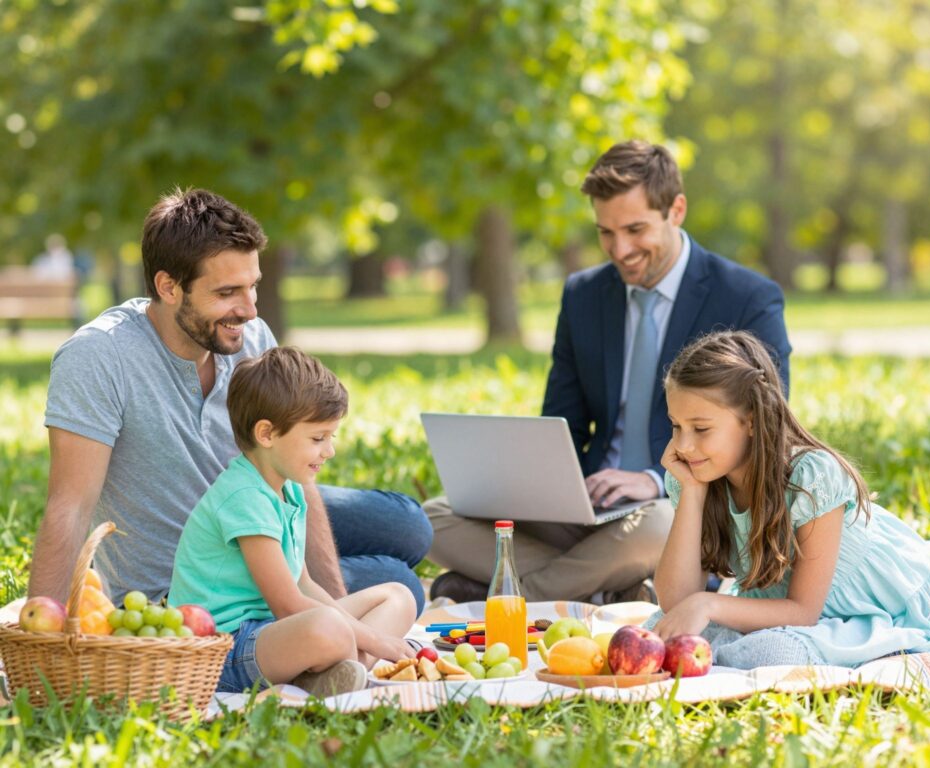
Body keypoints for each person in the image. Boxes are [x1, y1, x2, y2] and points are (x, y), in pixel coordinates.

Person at [28, 188, 432, 613]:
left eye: (252, 286)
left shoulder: (251, 339)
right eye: (227, 293)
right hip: (193, 589)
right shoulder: (99, 356)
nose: (250, 310)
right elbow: (70, 508)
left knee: (408, 525)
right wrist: (40, 628)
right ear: (168, 286)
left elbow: (291, 472)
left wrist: (334, 608)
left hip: (254, 515)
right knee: (401, 581)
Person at [426, 140, 791, 604]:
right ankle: (613, 588)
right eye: (606, 233)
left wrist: (656, 480)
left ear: (676, 210)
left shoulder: (747, 296)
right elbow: (563, 420)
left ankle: (514, 593)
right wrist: (543, 487)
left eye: (635, 229)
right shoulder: (583, 295)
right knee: (434, 519)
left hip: (682, 505)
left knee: (657, 524)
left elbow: (764, 430)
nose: (621, 250)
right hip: (592, 508)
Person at [646, 330, 930, 668]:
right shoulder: (698, 479)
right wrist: (692, 493)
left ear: (751, 421)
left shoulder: (811, 477)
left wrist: (708, 604)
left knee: (769, 651)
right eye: (676, 426)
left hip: (900, 607)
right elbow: (676, 602)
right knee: (658, 626)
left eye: (701, 429)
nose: (683, 445)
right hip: (804, 617)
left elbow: (802, 611)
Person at [169, 347, 416, 695]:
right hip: (224, 649)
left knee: (398, 596)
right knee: (328, 627)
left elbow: (304, 584)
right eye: (317, 438)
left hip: (271, 631)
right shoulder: (244, 497)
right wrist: (374, 639)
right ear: (267, 434)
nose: (329, 451)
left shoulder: (290, 489)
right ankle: (341, 669)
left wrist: (358, 632)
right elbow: (287, 604)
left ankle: (338, 672)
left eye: (331, 437)